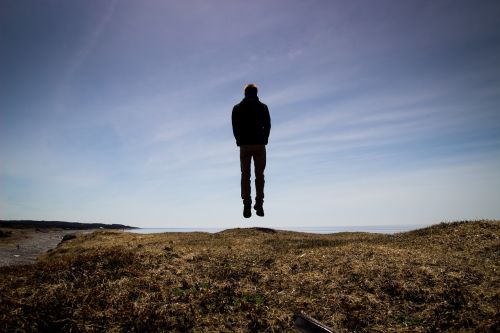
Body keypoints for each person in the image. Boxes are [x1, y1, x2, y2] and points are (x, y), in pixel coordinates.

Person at [231, 83, 271, 218]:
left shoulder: (237, 108)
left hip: (245, 146)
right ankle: (259, 204)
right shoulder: (263, 107)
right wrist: (264, 139)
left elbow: (235, 127)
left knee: (245, 175)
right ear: (256, 92)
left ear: (245, 93)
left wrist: (239, 141)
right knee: (260, 175)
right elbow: (268, 125)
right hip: (259, 145)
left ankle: (247, 205)